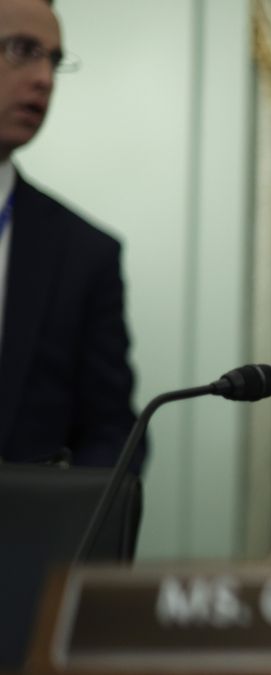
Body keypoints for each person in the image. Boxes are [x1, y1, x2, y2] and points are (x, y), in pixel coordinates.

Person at [0, 0, 143, 470]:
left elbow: (112, 434)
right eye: (23, 50)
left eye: (54, 59)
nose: (44, 78)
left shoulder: (84, 254)